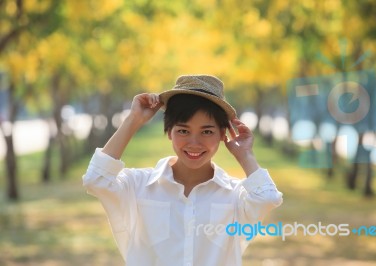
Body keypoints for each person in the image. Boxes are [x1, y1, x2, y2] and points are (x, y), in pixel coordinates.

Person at [83, 74, 283, 266]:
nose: (194, 143)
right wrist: (133, 120)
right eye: (183, 131)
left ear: (223, 134)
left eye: (207, 131)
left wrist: (245, 155)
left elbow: (268, 198)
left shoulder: (235, 195)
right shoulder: (139, 185)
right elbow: (96, 180)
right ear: (169, 132)